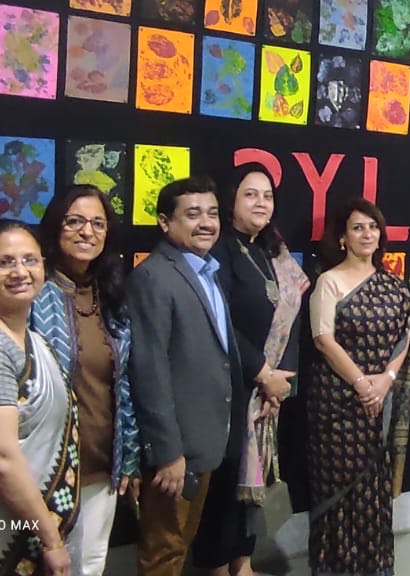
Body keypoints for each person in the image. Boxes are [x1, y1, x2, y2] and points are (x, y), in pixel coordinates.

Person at [128, 176, 242, 576]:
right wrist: (167, 453)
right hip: (176, 453)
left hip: (207, 441)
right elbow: (149, 369)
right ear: (165, 222)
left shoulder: (207, 271)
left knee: (181, 546)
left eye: (212, 213)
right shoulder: (153, 277)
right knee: (163, 553)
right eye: (193, 214)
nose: (206, 223)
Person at [196, 164, 307, 575]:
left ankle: (242, 562)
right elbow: (220, 322)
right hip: (231, 388)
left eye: (267, 195)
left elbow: (293, 314)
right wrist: (262, 373)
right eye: (250, 194)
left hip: (267, 393)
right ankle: (215, 566)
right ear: (231, 202)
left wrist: (281, 381)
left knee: (252, 482)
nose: (261, 202)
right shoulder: (220, 251)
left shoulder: (271, 251)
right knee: (225, 484)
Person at [32, 184, 139, 576]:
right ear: (54, 228)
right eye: (74, 221)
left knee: (90, 564)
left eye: (97, 223)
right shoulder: (33, 292)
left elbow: (124, 384)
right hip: (45, 467)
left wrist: (129, 458)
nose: (87, 232)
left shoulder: (111, 295)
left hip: (102, 463)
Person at [307, 198, 410, 575]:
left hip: (379, 401)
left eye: (373, 227)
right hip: (337, 405)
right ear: (342, 238)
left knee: (374, 490)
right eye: (357, 228)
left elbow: (404, 339)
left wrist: (385, 381)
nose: (367, 234)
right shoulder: (329, 282)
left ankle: (374, 566)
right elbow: (323, 339)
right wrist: (360, 383)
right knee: (337, 492)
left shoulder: (394, 286)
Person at [0, 219, 78, 575]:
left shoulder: (32, 337)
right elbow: (0, 458)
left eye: (30, 260)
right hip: (4, 528)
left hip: (35, 523)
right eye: (4, 262)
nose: (20, 272)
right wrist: (51, 540)